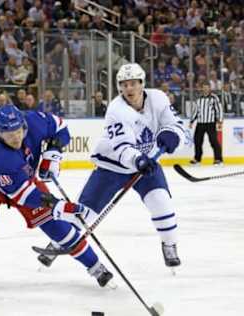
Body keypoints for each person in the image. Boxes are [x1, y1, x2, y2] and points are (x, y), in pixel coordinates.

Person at [0, 104, 114, 288]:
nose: (16, 137)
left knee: (55, 225)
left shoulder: (34, 121)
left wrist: (54, 152)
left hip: (22, 178)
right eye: (9, 134)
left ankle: (95, 267)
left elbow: (60, 127)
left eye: (19, 131)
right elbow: (24, 196)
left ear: (24, 124)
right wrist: (58, 206)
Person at [39, 63, 186, 271]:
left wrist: (172, 135)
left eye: (133, 83)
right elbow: (122, 148)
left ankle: (169, 245)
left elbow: (176, 125)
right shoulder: (117, 110)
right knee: (85, 214)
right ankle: (58, 242)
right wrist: (138, 160)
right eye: (124, 85)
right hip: (112, 167)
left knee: (161, 202)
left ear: (142, 84)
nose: (129, 89)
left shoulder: (158, 99)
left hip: (148, 164)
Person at [189, 82, 223, 165]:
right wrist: (192, 121)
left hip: (210, 123)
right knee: (197, 141)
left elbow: (219, 109)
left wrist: (220, 120)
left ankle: (218, 159)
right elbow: (195, 110)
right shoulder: (199, 98)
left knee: (214, 141)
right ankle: (197, 159)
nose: (205, 89)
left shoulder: (214, 98)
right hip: (200, 123)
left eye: (207, 87)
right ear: (202, 88)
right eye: (204, 87)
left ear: (209, 88)